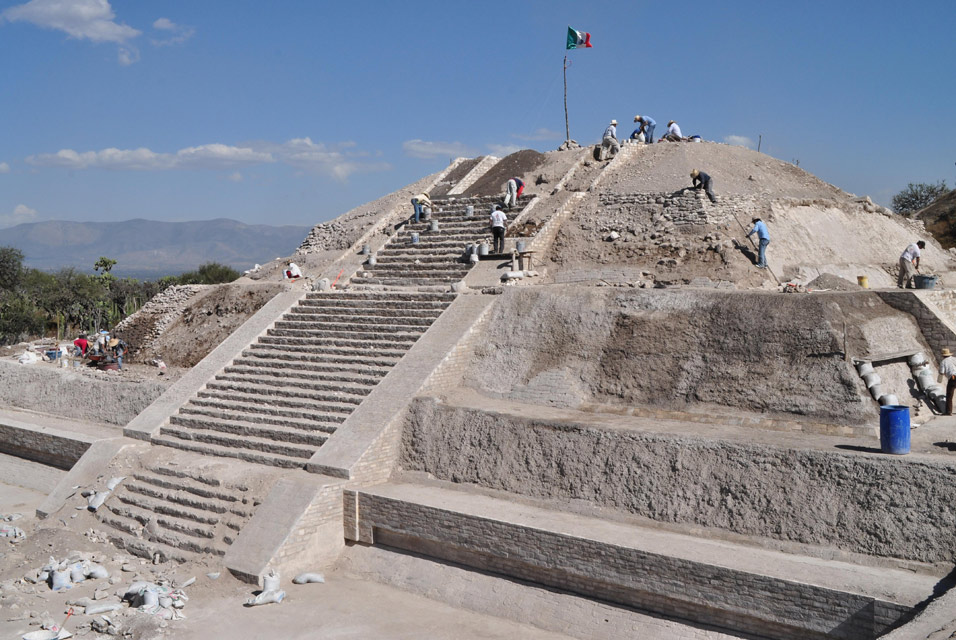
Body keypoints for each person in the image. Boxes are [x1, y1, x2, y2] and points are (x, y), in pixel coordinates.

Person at [939, 348, 956, 416]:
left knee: (949, 395)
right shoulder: (954, 359)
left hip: (953, 378)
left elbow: (942, 372)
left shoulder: (943, 362)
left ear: (943, 355)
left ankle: (948, 412)